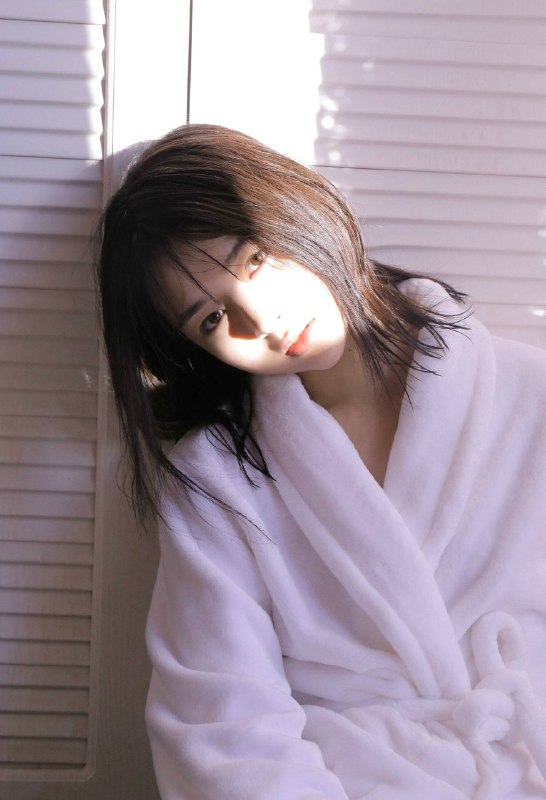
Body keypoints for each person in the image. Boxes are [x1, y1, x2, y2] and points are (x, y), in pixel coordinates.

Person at [96, 124, 546, 800]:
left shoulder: (531, 394)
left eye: (254, 260)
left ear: (301, 207)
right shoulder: (218, 481)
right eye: (211, 319)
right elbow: (224, 726)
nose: (260, 321)